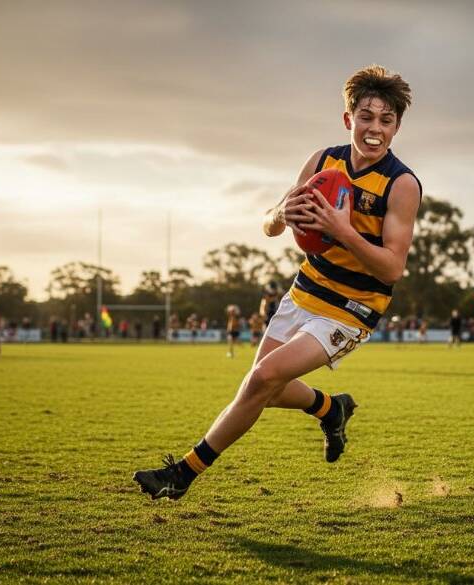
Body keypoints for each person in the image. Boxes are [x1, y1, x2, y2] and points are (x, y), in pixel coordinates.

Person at [134, 65, 421, 501]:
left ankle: (183, 474)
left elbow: (392, 269)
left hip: (352, 308)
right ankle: (332, 408)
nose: (374, 128)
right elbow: (270, 225)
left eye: (385, 120)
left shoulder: (401, 184)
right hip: (305, 290)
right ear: (349, 119)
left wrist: (341, 229)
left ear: (397, 126)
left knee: (260, 380)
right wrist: (282, 213)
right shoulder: (322, 161)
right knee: (263, 388)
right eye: (366, 116)